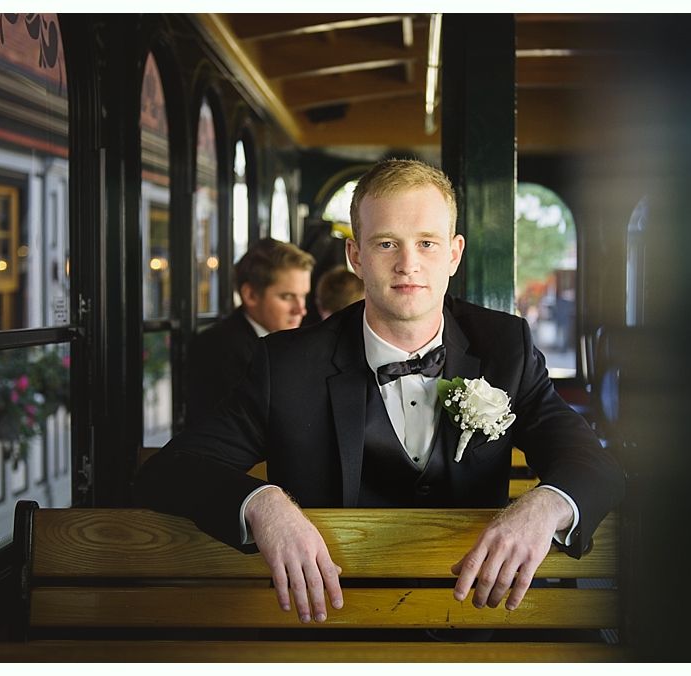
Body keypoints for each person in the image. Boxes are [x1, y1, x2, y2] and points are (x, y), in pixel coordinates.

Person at [137, 159, 624, 625]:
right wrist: (262, 503)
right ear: (356, 256)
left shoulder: (506, 348)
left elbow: (592, 462)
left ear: (454, 254)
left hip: (473, 623)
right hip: (329, 627)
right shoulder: (285, 364)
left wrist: (546, 505)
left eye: (428, 243)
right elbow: (169, 471)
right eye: (387, 244)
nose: (408, 264)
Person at [184, 238, 314, 425]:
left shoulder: (292, 343)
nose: (301, 310)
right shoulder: (217, 349)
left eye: (303, 296)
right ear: (250, 295)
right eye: (287, 297)